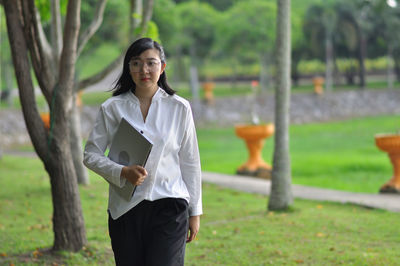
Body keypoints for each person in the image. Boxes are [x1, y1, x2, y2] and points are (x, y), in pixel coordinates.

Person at [83, 37, 202, 266]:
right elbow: (90, 155)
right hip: (125, 210)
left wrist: (194, 211)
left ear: (163, 67)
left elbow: (190, 161)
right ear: (129, 68)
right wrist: (122, 171)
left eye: (151, 62)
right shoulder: (112, 108)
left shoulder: (180, 108)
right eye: (136, 63)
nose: (144, 69)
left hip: (170, 205)